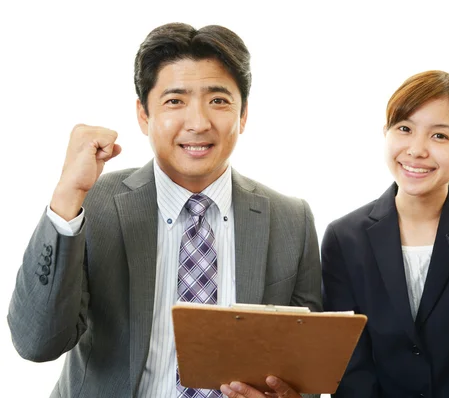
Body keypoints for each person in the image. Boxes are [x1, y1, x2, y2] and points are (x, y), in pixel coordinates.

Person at [7, 23, 321, 398]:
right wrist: (67, 196)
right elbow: (35, 342)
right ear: (143, 114)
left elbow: (306, 372)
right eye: (175, 100)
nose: (199, 122)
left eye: (218, 100)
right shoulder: (95, 203)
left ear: (243, 114)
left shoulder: (292, 221)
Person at [321, 70, 449, 397]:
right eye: (404, 129)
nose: (416, 150)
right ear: (385, 134)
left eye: (440, 136)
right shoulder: (345, 237)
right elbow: (350, 366)